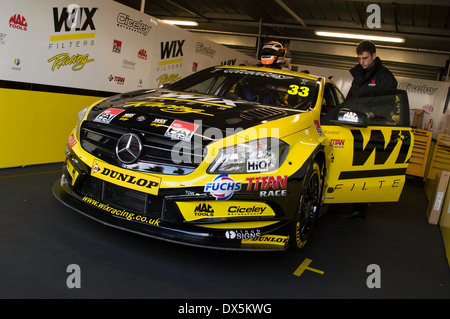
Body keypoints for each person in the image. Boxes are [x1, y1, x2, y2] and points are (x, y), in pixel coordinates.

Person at [340, 40, 398, 220]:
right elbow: (350, 99)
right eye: (359, 59)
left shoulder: (386, 77)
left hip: (372, 128)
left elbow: (386, 106)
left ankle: (360, 209)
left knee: (363, 167)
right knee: (348, 163)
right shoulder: (358, 75)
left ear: (374, 56)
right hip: (352, 125)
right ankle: (345, 201)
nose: (362, 62)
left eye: (365, 58)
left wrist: (370, 115)